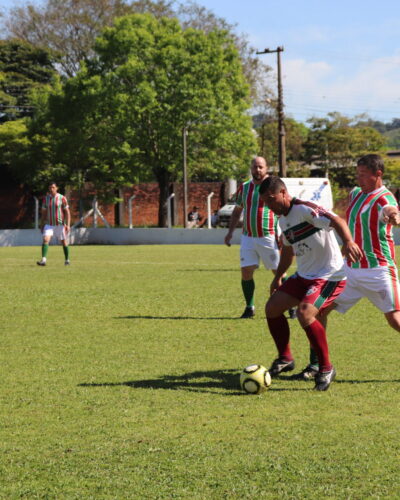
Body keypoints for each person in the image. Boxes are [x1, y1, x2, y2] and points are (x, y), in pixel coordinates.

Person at [259, 176, 362, 391]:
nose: (269, 206)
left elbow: (337, 220)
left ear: (283, 193)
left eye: (271, 200)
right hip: (305, 276)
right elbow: (288, 250)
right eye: (266, 203)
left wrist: (349, 241)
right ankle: (285, 357)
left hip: (329, 275)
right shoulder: (283, 220)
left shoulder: (305, 209)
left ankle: (325, 368)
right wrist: (278, 276)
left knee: (305, 313)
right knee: (272, 307)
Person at [224, 156, 281, 319]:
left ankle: (290, 306)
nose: (258, 170)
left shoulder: (274, 186)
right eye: (255, 167)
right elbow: (237, 211)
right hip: (248, 236)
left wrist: (283, 233)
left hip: (269, 235)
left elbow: (283, 209)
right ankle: (250, 307)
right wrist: (229, 233)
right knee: (246, 271)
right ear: (251, 168)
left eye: (261, 167)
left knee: (278, 273)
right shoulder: (245, 187)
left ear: (266, 168)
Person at [37, 182, 71, 266]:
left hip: (60, 224)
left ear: (57, 188)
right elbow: (44, 213)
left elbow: (67, 212)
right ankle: (43, 260)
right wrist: (42, 224)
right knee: (45, 239)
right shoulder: (46, 199)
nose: (51, 189)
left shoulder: (62, 198)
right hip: (49, 224)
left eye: (53, 187)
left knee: (64, 242)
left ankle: (67, 260)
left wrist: (68, 224)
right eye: (50, 188)